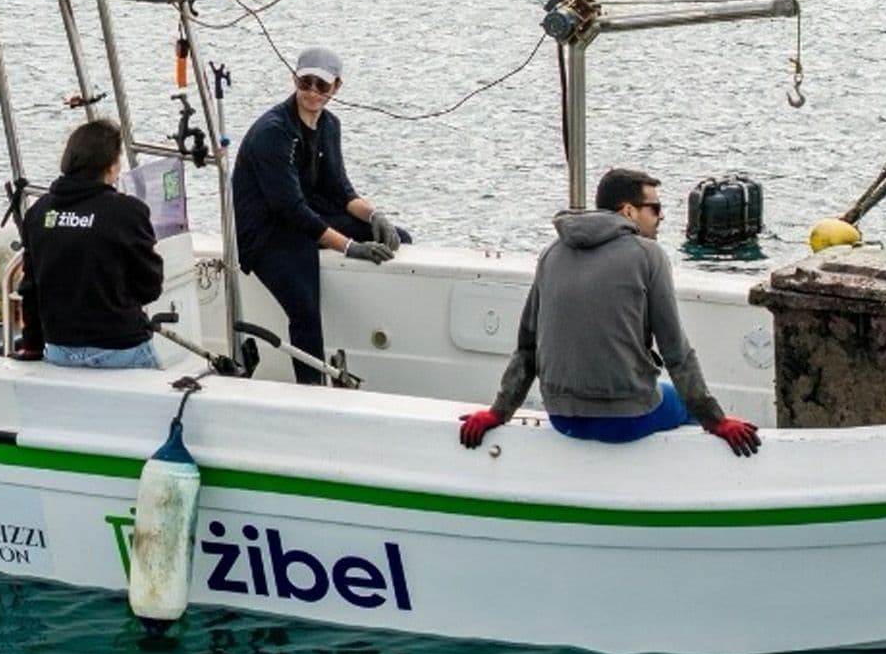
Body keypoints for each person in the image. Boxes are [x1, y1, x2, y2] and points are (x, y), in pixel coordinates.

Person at [458, 167, 762, 455]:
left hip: (562, 417)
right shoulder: (649, 256)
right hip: (627, 419)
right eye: (654, 209)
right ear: (628, 211)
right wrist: (717, 421)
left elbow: (527, 347)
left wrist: (498, 413)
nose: (661, 217)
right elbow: (676, 352)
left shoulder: (551, 252)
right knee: (682, 403)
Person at [231, 46, 411, 384]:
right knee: (305, 309)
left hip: (307, 217)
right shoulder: (273, 132)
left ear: (336, 88)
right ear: (295, 80)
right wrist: (348, 247)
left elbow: (340, 191)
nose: (312, 92)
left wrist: (374, 215)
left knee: (396, 237)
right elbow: (290, 208)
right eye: (306, 83)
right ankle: (311, 388)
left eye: (321, 86)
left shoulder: (329, 125)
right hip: (269, 232)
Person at [16, 118, 164, 369]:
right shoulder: (128, 213)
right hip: (121, 347)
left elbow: (30, 289)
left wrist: (31, 346)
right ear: (111, 166)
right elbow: (149, 287)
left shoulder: (38, 213)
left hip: (60, 350)